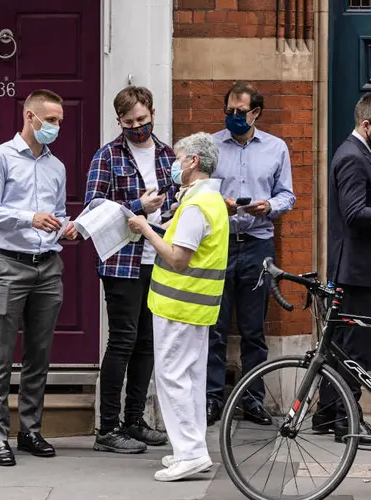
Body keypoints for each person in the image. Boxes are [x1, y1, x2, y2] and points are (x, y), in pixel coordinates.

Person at [0, 89, 77, 467]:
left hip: (48, 264)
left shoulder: (57, 166)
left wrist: (67, 227)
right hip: (9, 263)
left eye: (60, 122)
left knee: (39, 353)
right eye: (51, 120)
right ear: (30, 117)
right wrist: (29, 217)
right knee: (0, 354)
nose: (56, 127)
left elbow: (57, 212)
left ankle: (30, 430)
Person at [128, 132, 228, 481]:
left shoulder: (197, 205)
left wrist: (143, 227)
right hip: (196, 307)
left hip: (179, 306)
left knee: (173, 378)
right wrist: (154, 225)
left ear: (193, 162)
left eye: (179, 157)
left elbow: (178, 257)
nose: (174, 164)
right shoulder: (207, 201)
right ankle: (192, 448)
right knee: (191, 378)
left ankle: (189, 452)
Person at [84, 86, 174, 453]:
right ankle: (107, 428)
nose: (137, 127)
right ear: (118, 121)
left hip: (160, 255)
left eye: (142, 119)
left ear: (152, 112)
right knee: (122, 339)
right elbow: (92, 207)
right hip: (121, 260)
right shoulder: (107, 156)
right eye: (129, 122)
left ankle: (134, 420)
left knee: (147, 342)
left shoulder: (169, 154)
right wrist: (138, 204)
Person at [315, 92, 371, 446]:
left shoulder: (362, 153)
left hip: (356, 266)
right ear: (366, 125)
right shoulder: (352, 157)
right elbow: (354, 214)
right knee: (356, 348)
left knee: (341, 343)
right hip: (358, 269)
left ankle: (325, 414)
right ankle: (347, 422)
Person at [206, 81, 296, 426]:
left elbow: (288, 195)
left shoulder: (276, 148)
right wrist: (219, 205)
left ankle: (252, 399)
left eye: (240, 112)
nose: (233, 116)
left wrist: (268, 206)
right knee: (214, 326)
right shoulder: (212, 145)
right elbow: (196, 188)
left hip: (258, 245)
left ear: (256, 113)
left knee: (253, 329)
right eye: (228, 111)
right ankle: (213, 399)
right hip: (219, 244)